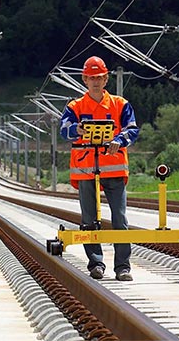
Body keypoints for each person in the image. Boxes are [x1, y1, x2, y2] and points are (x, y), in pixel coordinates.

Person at [60, 56, 139, 281]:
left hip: (113, 169)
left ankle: (123, 267)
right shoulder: (75, 106)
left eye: (99, 77)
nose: (95, 81)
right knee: (89, 220)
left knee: (120, 220)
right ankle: (96, 263)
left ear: (106, 79)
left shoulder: (120, 104)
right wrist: (79, 129)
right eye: (91, 77)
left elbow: (132, 129)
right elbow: (64, 129)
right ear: (85, 79)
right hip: (85, 169)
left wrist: (120, 140)